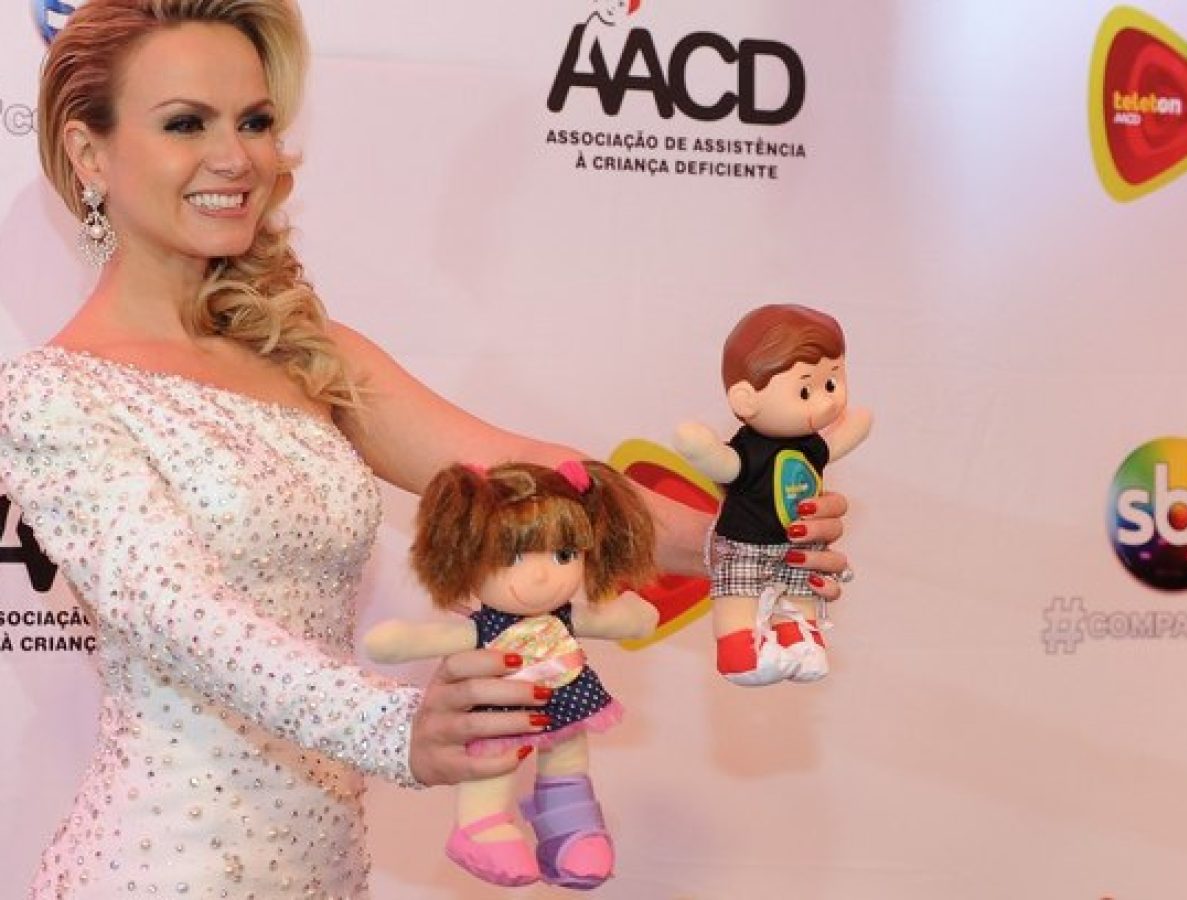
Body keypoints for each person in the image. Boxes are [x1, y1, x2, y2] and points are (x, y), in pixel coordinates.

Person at [0, 1, 850, 895]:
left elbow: (523, 476)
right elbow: (187, 620)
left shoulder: (304, 350)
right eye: (186, 123)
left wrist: (738, 542)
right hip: (154, 871)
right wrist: (392, 727)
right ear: (89, 152)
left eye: (254, 121)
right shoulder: (52, 395)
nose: (236, 157)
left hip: (325, 869)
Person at [365, 460, 658, 889]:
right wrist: (400, 641)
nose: (542, 576)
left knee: (567, 760)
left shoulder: (565, 617)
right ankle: (480, 828)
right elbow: (415, 640)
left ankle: (572, 831)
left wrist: (629, 618)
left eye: (564, 555)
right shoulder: (483, 628)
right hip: (500, 710)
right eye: (512, 557)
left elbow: (622, 620)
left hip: (567, 699)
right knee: (494, 761)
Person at [675, 304, 871, 687]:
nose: (827, 402)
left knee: (799, 592)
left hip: (797, 543)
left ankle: (802, 643)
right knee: (739, 597)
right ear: (746, 399)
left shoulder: (810, 445)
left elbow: (834, 445)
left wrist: (859, 425)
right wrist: (700, 447)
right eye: (806, 390)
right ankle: (741, 655)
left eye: (832, 383)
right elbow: (726, 466)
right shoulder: (752, 448)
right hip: (744, 544)